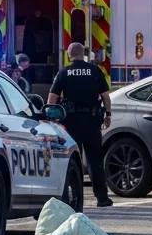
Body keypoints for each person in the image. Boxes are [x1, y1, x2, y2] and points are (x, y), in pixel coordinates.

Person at [48, 42, 113, 208]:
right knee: (95, 160)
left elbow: (52, 98)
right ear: (83, 53)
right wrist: (108, 114)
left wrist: (51, 118)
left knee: (73, 161)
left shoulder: (64, 73)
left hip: (71, 123)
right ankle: (102, 198)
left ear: (70, 54)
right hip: (92, 122)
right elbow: (106, 96)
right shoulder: (94, 71)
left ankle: (73, 199)